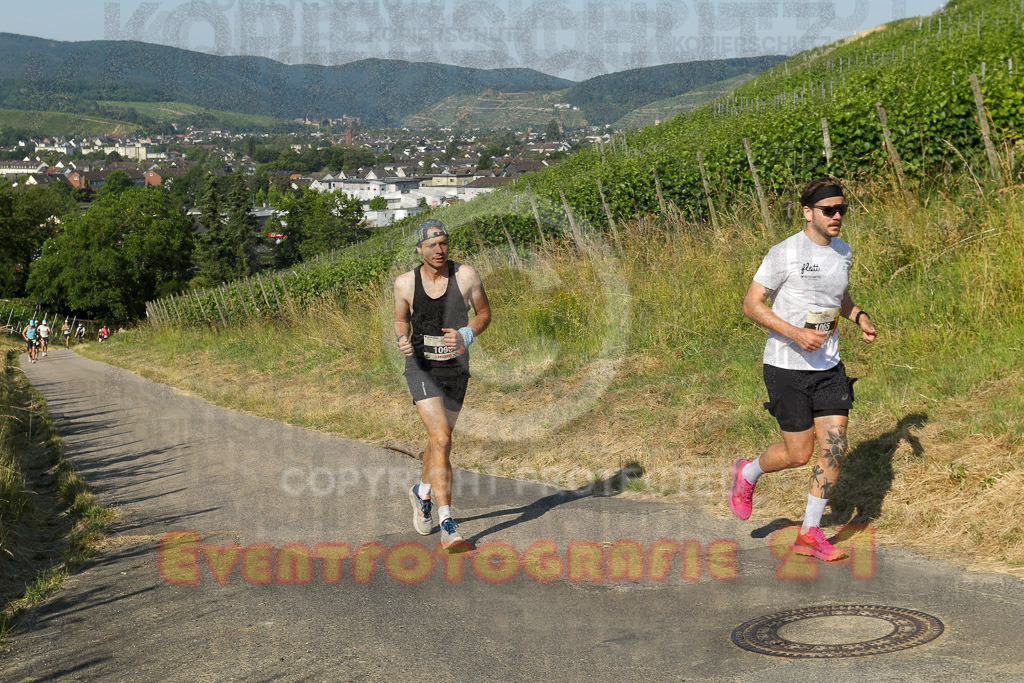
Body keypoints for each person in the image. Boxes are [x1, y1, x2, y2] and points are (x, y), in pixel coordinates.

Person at [731, 177, 877, 562]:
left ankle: (809, 533)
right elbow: (751, 304)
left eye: (842, 209)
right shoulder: (785, 253)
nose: (837, 216)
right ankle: (747, 473)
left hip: (828, 366)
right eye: (829, 210)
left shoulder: (842, 251)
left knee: (835, 446)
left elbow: (837, 296)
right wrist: (796, 333)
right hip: (786, 366)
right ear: (807, 213)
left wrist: (858, 315)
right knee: (799, 454)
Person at [394, 219, 491, 550]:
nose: (439, 250)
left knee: (439, 444)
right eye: (432, 245)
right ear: (419, 249)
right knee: (442, 438)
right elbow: (400, 318)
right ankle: (449, 522)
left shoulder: (466, 276)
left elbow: (484, 313)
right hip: (420, 367)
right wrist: (401, 339)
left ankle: (422, 492)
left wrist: (467, 333)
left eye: (444, 244)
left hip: (455, 369)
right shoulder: (405, 283)